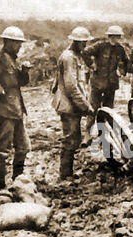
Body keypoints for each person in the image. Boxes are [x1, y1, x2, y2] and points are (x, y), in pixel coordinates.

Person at [0, 26, 32, 190]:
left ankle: (17, 182)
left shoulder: (13, 59)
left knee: (22, 147)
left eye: (20, 43)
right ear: (8, 42)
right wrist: (0, 90)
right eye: (16, 43)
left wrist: (24, 72)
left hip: (16, 109)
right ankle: (1, 187)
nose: (19, 46)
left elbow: (21, 83)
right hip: (4, 110)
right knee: (2, 150)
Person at [51, 27, 94, 180]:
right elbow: (71, 86)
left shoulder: (75, 56)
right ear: (75, 42)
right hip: (69, 106)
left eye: (85, 42)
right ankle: (65, 174)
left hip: (73, 105)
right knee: (70, 139)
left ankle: (67, 172)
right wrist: (85, 106)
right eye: (82, 43)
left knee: (74, 139)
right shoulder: (68, 58)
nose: (84, 45)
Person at [81, 25, 128, 146]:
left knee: (108, 111)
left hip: (111, 84)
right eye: (113, 36)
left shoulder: (120, 49)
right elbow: (85, 52)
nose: (115, 39)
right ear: (109, 36)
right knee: (92, 109)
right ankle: (87, 134)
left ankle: (105, 137)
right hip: (97, 83)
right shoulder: (100, 46)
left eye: (117, 36)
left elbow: (125, 61)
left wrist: (122, 71)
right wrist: (91, 65)